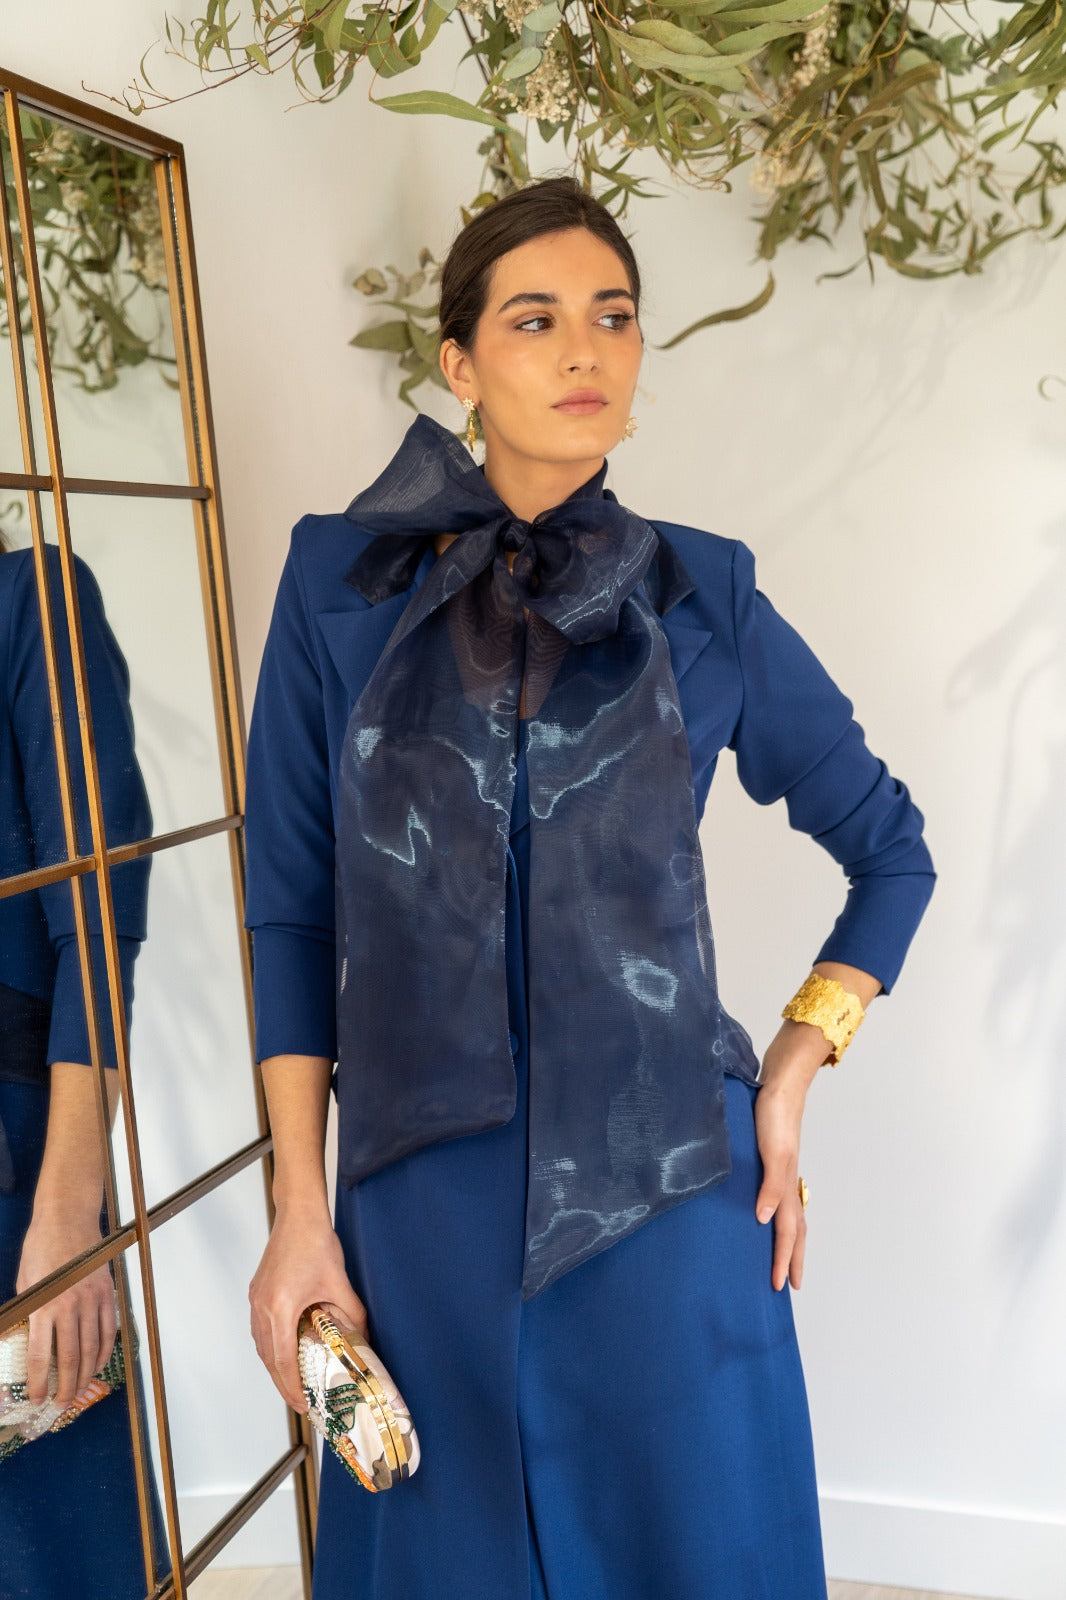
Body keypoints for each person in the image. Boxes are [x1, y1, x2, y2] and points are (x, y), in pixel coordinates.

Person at [244, 175, 936, 1600]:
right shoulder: (336, 583)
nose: (583, 352)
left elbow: (890, 852)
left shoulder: (703, 594)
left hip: (669, 1191)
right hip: (417, 1203)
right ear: (458, 364)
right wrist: (297, 1208)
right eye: (535, 319)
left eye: (613, 318)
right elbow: (295, 907)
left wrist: (794, 1066)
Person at [0, 532, 168, 1598]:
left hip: (16, 1172)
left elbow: (98, 920)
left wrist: (68, 1219)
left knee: (55, 1551)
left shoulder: (29, 599)